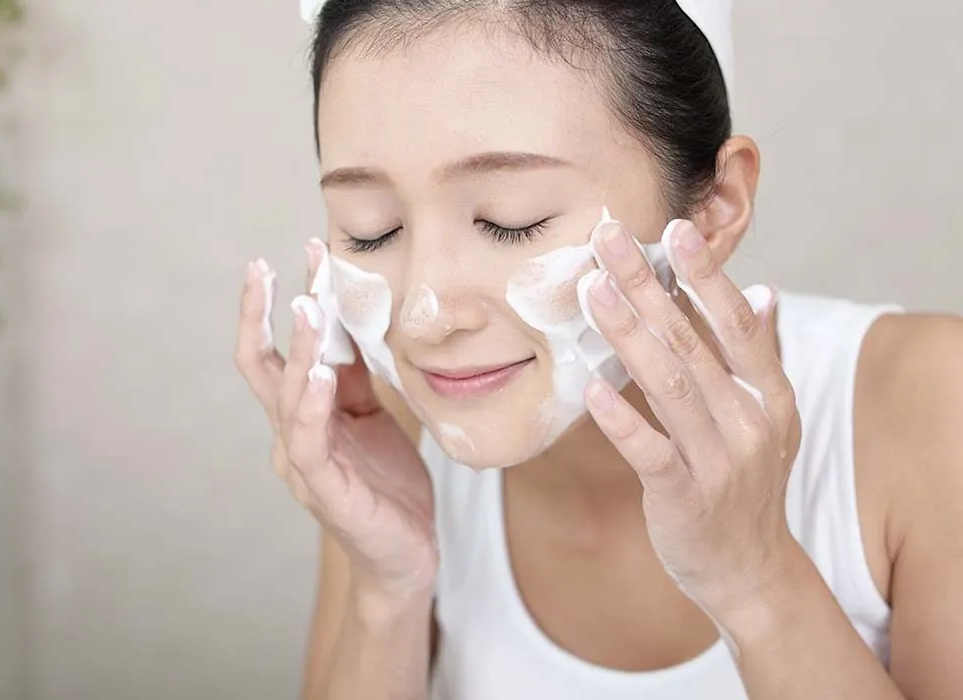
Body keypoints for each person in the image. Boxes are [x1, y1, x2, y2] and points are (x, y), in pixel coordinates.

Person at [235, 1, 963, 698]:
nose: (426, 315)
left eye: (511, 222)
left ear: (715, 206)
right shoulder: (393, 433)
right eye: (372, 229)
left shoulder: (934, 405)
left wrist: (755, 577)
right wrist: (386, 586)